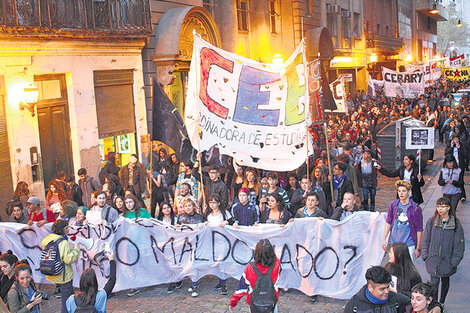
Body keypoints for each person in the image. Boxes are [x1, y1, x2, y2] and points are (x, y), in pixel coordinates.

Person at [421, 197, 465, 304]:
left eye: (443, 206)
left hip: (447, 260)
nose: (440, 209)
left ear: (448, 208)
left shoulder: (456, 224)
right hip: (433, 260)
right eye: (438, 206)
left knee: (445, 281)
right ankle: (435, 304)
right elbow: (426, 239)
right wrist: (426, 255)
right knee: (434, 284)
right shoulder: (432, 221)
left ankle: (442, 302)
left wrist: (454, 261)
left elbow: (459, 245)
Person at [229, 239, 280, 313]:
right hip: (272, 299)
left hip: (255, 302)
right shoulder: (276, 264)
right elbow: (276, 259)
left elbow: (241, 289)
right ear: (271, 251)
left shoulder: (250, 268)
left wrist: (233, 304)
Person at [41, 219, 79, 313]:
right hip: (64, 275)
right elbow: (68, 259)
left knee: (70, 294)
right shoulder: (63, 242)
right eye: (66, 228)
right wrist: (76, 249)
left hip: (53, 272)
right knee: (66, 300)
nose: (68, 229)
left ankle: (76, 309)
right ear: (61, 229)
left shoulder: (48, 239)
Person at [382, 180, 423, 260]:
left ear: (409, 192)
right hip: (394, 243)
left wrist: (418, 247)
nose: (401, 193)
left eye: (403, 191)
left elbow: (419, 229)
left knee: (407, 270)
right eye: (399, 191)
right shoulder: (394, 205)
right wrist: (384, 239)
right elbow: (388, 222)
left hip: (409, 244)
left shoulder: (415, 208)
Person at [343, 266, 410, 312]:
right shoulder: (354, 305)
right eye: (382, 289)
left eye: (388, 287)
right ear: (370, 287)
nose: (387, 291)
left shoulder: (397, 299)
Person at [202, 194, 232, 295]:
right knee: (216, 262)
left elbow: (232, 221)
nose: (212, 205)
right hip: (212, 242)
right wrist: (205, 223)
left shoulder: (224, 213)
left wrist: (226, 222)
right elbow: (203, 222)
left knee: (222, 262)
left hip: (223, 241)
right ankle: (220, 280)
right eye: (210, 202)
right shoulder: (207, 214)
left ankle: (224, 284)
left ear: (218, 203)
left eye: (214, 202)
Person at [356, 147, 378, 211]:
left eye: (365, 154)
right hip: (364, 179)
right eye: (364, 154)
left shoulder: (373, 161)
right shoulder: (361, 161)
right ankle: (365, 208)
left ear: (369, 155)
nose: (364, 155)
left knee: (372, 195)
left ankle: (372, 208)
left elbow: (378, 167)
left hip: (371, 179)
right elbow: (358, 168)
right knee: (365, 195)